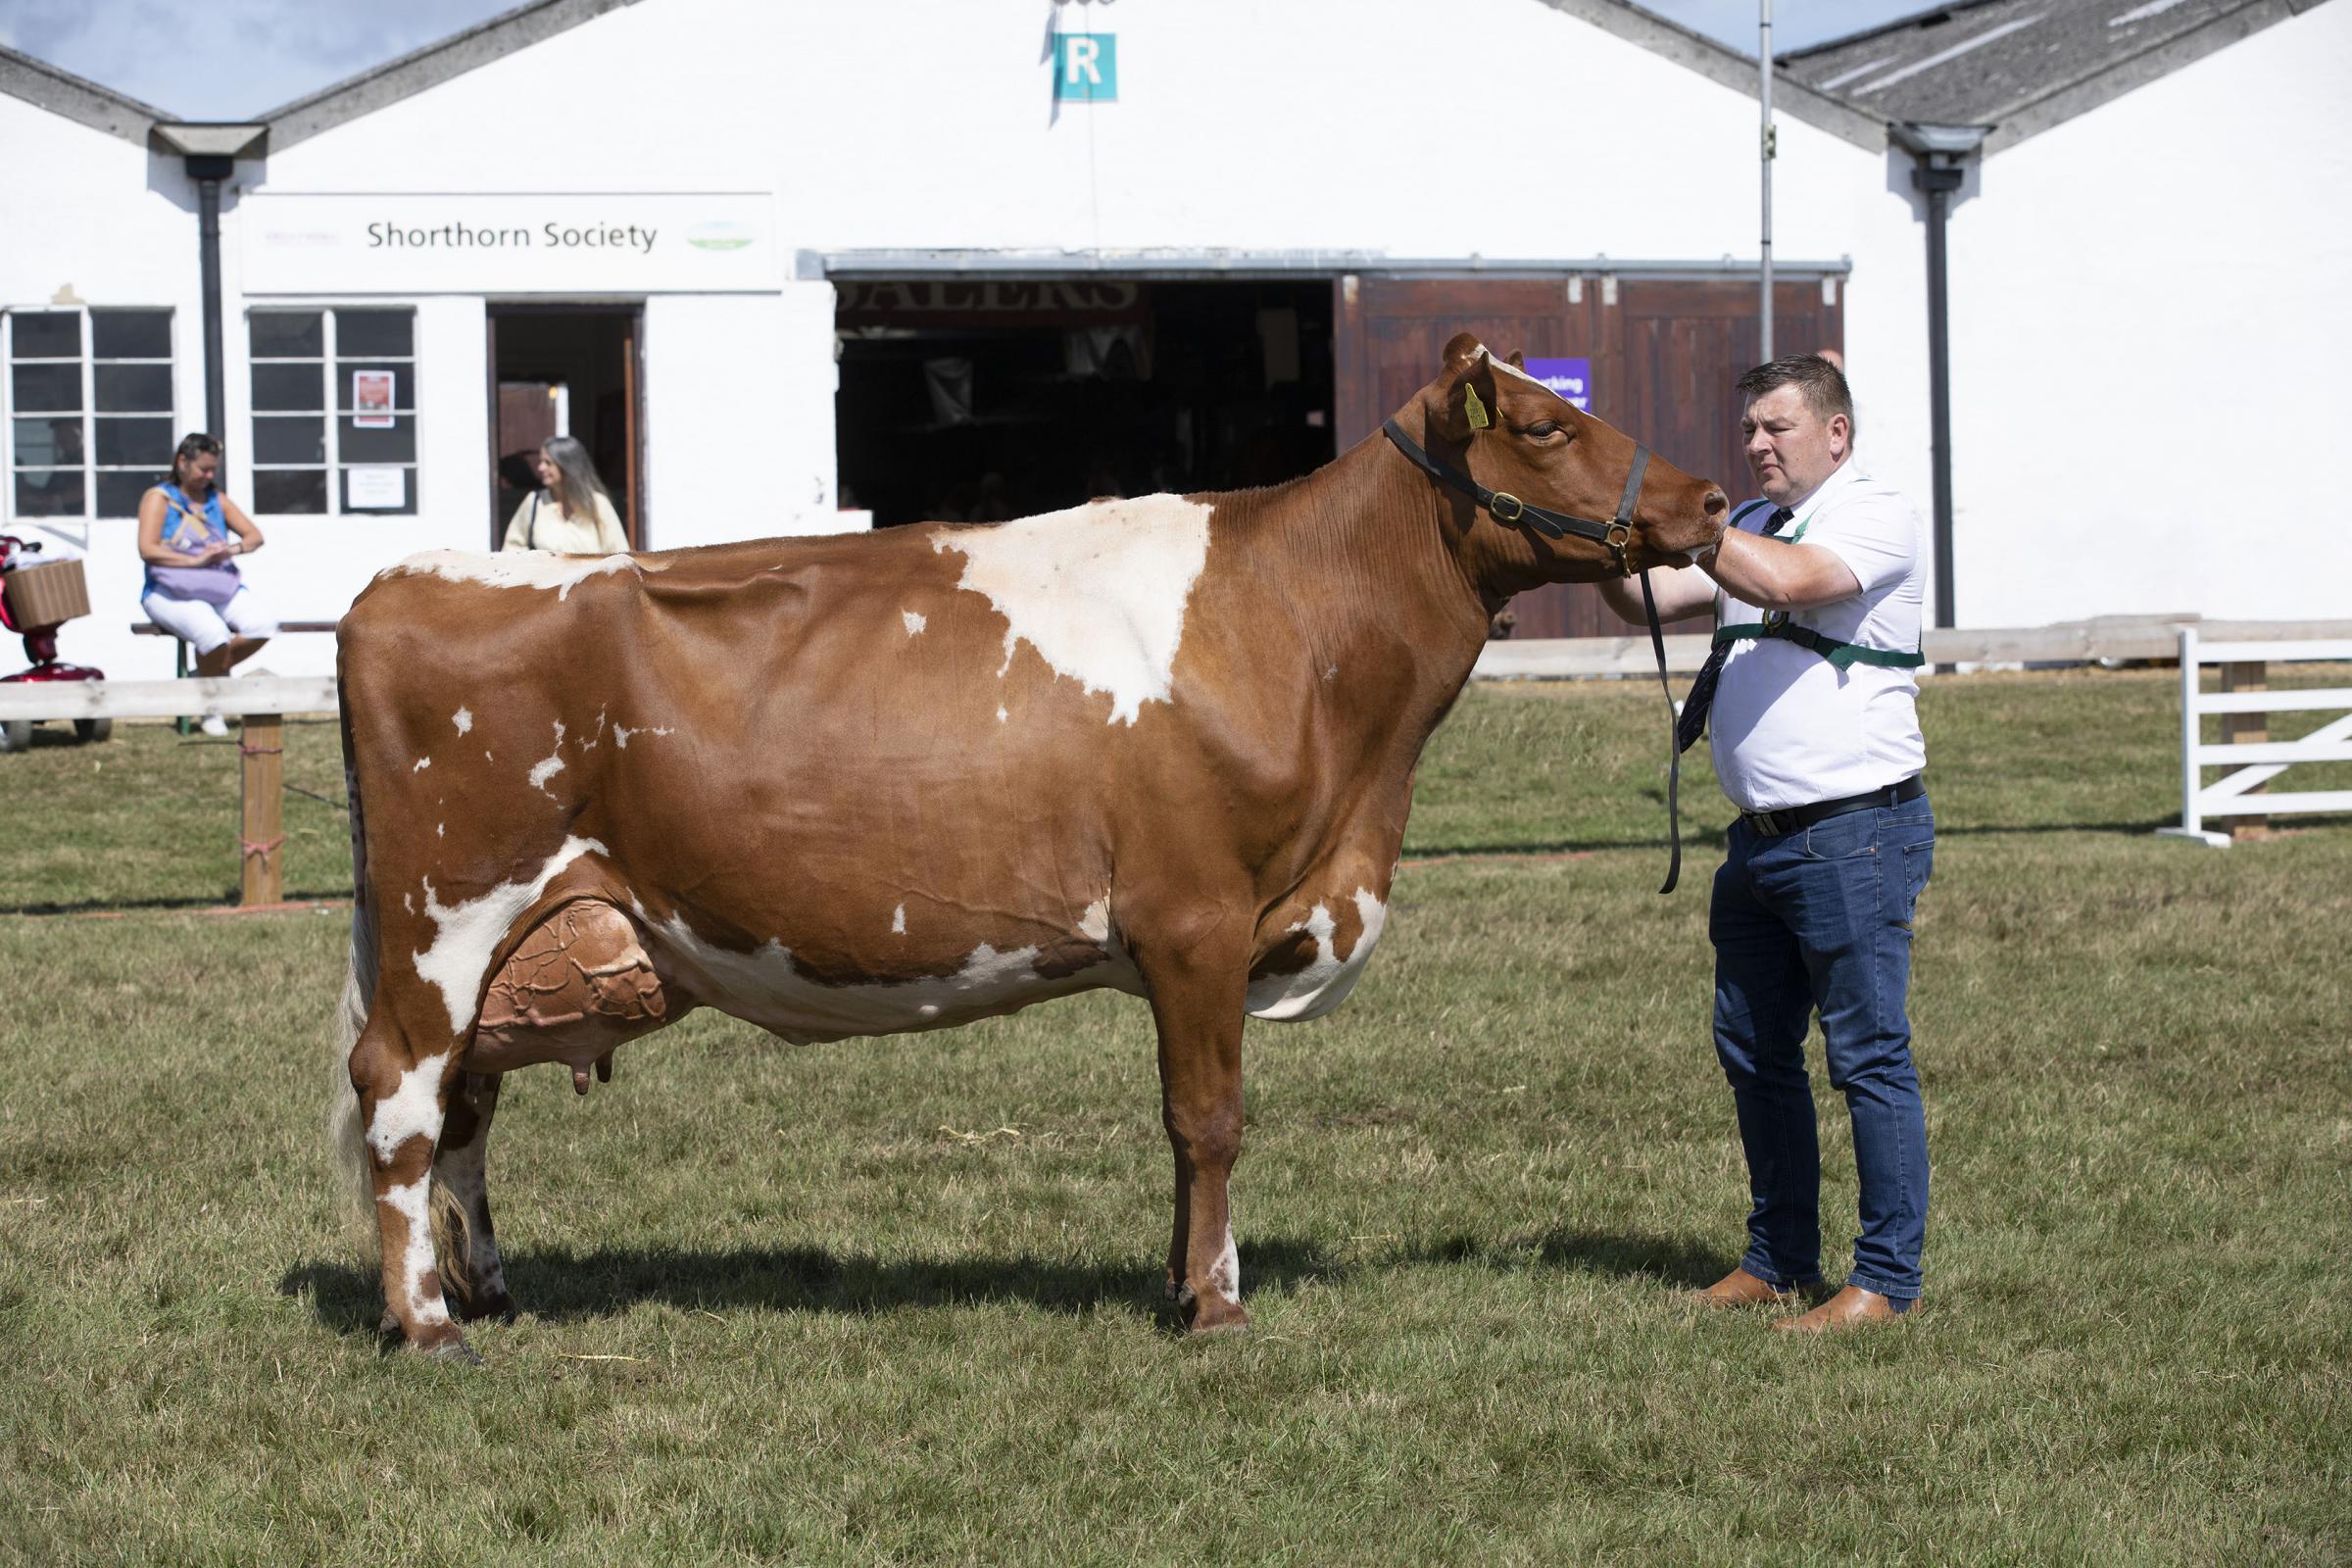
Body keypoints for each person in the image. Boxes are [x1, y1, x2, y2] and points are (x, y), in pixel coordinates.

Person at [1596, 354, 1934, 1333]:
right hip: (1759, 843)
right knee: (1753, 1048)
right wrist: (1607, 546)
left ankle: (1885, 1281)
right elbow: (1651, 599)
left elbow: (1793, 582)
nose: (1754, 446)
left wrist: (1687, 531)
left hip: (1854, 834)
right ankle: (1780, 1256)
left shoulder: (1872, 513)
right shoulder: (1743, 525)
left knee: (1867, 1056)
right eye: (1749, 430)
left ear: (1835, 433)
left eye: (1775, 429)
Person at [137, 433, 276, 737]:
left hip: (217, 585)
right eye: (203, 468)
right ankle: (211, 706)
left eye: (213, 469)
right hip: (169, 591)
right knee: (213, 635)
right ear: (182, 462)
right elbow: (146, 549)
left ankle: (201, 680)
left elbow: (254, 536)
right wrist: (193, 561)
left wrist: (231, 550)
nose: (209, 476)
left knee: (263, 624)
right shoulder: (158, 498)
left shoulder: (217, 499)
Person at [501, 436, 628, 554]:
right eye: (541, 461)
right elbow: (511, 549)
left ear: (567, 466)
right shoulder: (534, 501)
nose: (540, 468)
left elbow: (619, 553)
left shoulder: (597, 503)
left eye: (548, 463)